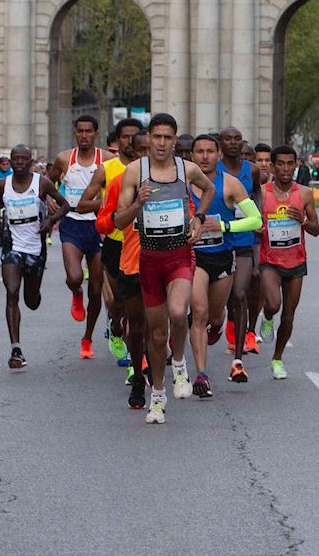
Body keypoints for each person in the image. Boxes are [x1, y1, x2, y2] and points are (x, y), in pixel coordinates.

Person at [111, 112, 217, 424]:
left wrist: (198, 218)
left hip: (180, 255)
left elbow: (209, 190)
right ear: (149, 139)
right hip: (149, 258)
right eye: (156, 137)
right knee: (156, 336)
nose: (161, 143)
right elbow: (118, 221)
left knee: (176, 311)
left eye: (167, 138)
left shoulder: (188, 169)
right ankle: (157, 395)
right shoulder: (135, 172)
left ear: (174, 140)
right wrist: (137, 205)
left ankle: (181, 363)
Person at [188, 133, 261, 397]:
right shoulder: (181, 184)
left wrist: (224, 225)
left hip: (222, 256)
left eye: (210, 151)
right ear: (192, 156)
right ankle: (202, 376)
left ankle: (217, 327)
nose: (205, 156)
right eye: (200, 152)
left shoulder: (229, 184)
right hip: (193, 258)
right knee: (199, 312)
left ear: (218, 156)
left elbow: (256, 221)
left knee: (215, 316)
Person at [0, 145, 71, 369]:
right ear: (10, 161)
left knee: (31, 301)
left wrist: (50, 221)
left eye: (24, 159)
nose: (20, 162)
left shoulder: (41, 183)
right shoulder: (3, 184)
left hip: (35, 249)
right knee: (11, 292)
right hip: (12, 247)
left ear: (30, 161)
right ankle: (16, 349)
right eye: (16, 159)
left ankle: (34, 293)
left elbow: (65, 205)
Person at [91, 126, 150, 407]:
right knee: (132, 320)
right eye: (142, 152)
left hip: (165, 260)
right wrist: (122, 215)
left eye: (153, 151)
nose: (148, 157)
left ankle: (162, 377)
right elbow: (102, 222)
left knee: (163, 322)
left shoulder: (176, 182)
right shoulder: (119, 182)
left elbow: (190, 217)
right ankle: (137, 371)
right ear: (133, 154)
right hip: (126, 256)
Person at [48, 116, 110, 359]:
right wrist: (49, 200)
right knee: (74, 277)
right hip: (72, 222)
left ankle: (87, 337)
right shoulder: (65, 158)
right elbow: (48, 182)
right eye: (80, 131)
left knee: (96, 289)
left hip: (97, 225)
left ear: (96, 133)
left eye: (89, 131)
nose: (84, 136)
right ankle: (75, 293)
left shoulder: (106, 159)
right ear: (75, 133)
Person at [258, 145, 319, 381]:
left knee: (289, 315)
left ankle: (277, 359)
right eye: (280, 164)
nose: (285, 168)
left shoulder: (304, 193)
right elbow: (252, 221)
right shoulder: (262, 193)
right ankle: (267, 315)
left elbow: (316, 230)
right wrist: (258, 228)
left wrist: (303, 220)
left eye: (290, 164)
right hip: (270, 261)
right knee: (274, 304)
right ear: (273, 166)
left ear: (296, 165)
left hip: (296, 261)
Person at [219, 126, 267, 374]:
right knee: (224, 297)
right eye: (228, 139)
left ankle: (238, 359)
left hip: (245, 238)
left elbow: (257, 191)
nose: (233, 143)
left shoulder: (252, 170)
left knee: (240, 292)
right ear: (221, 143)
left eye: (237, 139)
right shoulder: (212, 170)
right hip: (219, 239)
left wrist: (257, 213)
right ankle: (224, 321)